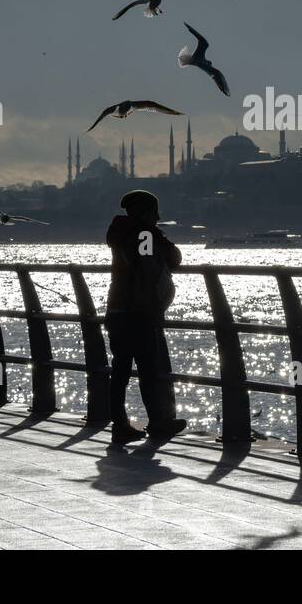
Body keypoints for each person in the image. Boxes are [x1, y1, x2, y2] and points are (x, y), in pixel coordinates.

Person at [104, 189, 186, 444]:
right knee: (150, 369)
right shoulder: (144, 235)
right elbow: (167, 260)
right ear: (145, 213)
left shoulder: (119, 234)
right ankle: (159, 421)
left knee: (120, 369)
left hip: (117, 309)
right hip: (139, 312)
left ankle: (119, 424)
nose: (158, 217)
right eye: (154, 212)